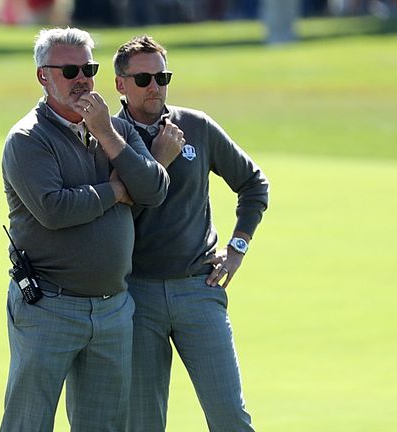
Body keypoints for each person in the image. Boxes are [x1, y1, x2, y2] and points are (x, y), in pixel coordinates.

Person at [0, 28, 169, 431]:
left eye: (89, 69)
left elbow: (154, 189)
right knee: (29, 421)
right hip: (50, 306)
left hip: (112, 308)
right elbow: (54, 209)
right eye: (71, 69)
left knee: (104, 425)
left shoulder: (115, 129)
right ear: (44, 75)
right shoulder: (28, 139)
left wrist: (106, 134)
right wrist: (114, 189)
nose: (83, 79)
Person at [112, 36, 269, 431]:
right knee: (143, 422)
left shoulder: (195, 126)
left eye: (162, 76)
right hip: (135, 294)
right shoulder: (107, 136)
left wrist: (236, 248)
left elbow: (253, 184)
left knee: (230, 416)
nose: (155, 87)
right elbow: (114, 207)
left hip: (199, 287)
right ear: (120, 85)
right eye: (144, 78)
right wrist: (154, 161)